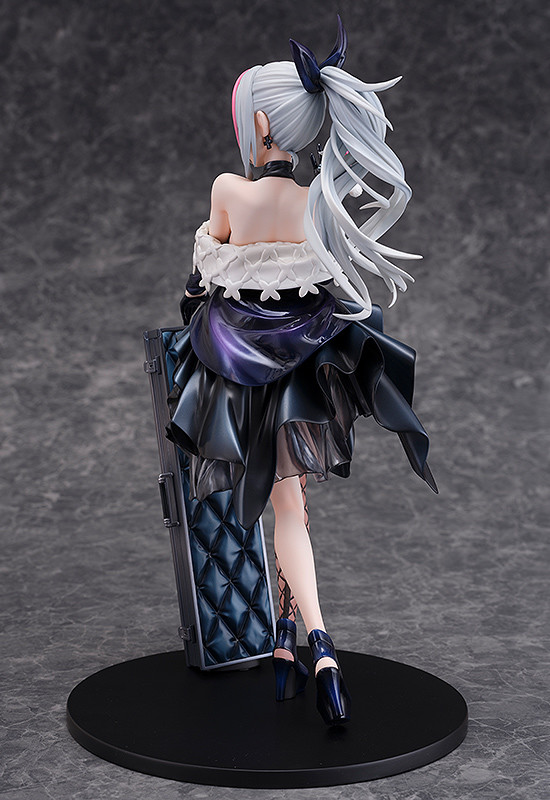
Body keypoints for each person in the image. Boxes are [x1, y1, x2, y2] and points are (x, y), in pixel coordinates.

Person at [167, 17, 437, 726]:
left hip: (243, 372)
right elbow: (335, 287)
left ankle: (321, 646)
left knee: (286, 507)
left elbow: (200, 280)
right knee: (292, 500)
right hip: (307, 372)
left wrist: (201, 299)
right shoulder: (317, 200)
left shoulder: (231, 190)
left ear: (258, 125)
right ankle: (286, 644)